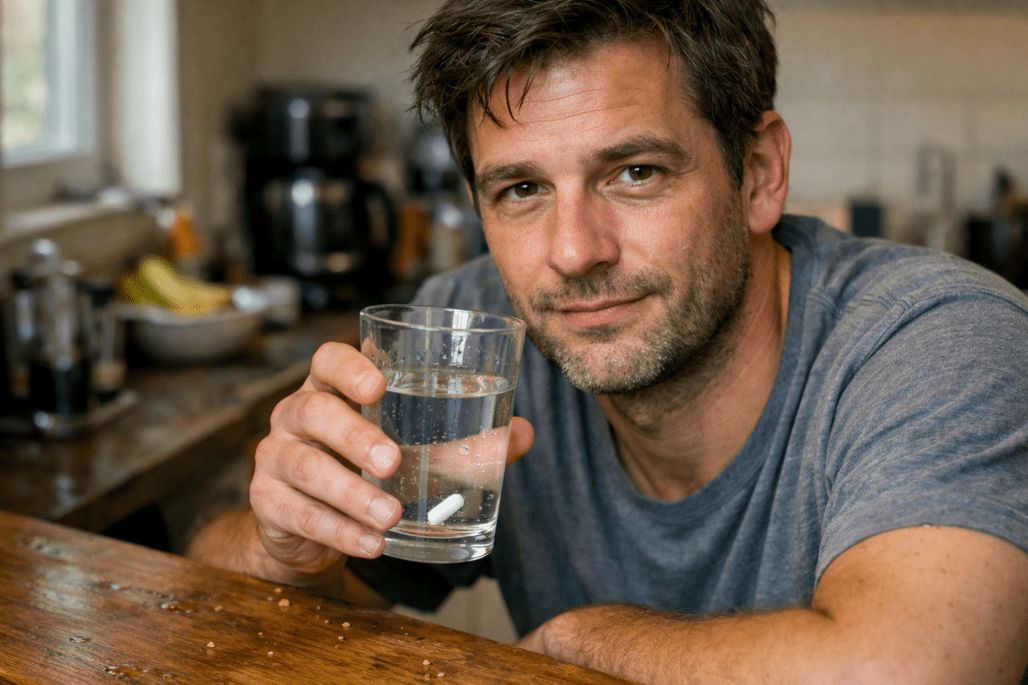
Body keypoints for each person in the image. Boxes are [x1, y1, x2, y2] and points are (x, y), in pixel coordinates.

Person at [188, 0, 1028, 682]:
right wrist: (284, 547)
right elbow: (228, 596)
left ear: (760, 174)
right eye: (520, 189)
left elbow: (904, 668)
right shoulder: (473, 341)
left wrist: (581, 645)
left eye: (635, 173)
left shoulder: (940, 341)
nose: (573, 251)